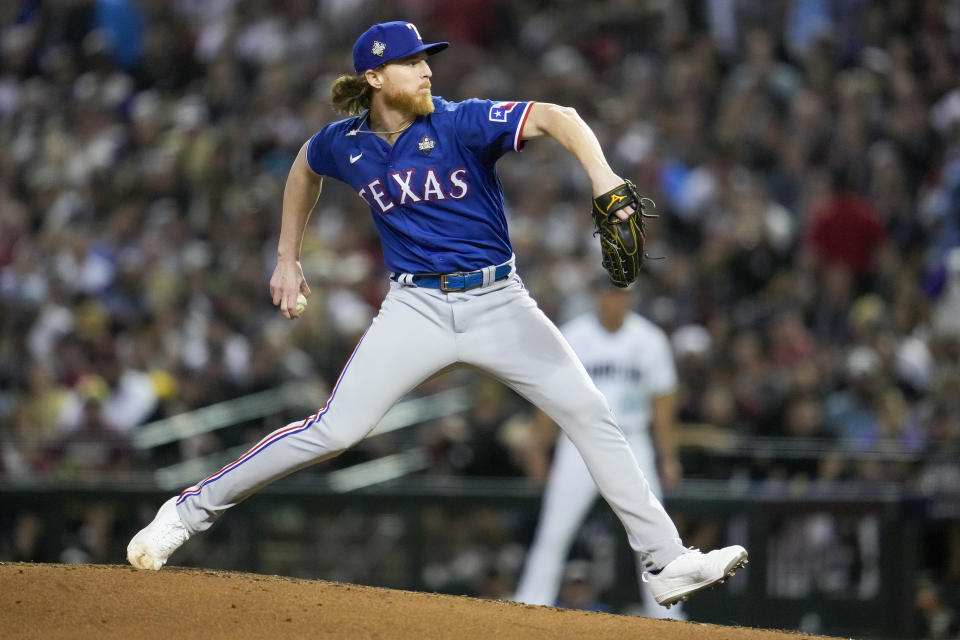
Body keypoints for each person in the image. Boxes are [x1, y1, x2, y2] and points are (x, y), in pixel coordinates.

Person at [126, 20, 747, 609]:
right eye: (413, 62)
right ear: (375, 77)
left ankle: (665, 562)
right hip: (415, 306)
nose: (427, 70)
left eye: (427, 60)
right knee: (336, 430)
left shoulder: (461, 122)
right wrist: (287, 256)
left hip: (500, 302)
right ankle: (187, 512)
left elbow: (561, 117)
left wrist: (602, 176)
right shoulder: (346, 143)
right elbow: (303, 169)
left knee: (590, 413)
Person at [514, 280, 686, 618]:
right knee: (555, 529)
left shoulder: (649, 340)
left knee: (652, 532)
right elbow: (551, 394)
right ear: (596, 295)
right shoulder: (573, 335)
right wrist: (538, 447)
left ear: (630, 297)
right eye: (607, 291)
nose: (614, 299)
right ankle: (530, 603)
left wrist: (668, 457)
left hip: (630, 441)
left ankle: (668, 614)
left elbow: (663, 404)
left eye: (620, 292)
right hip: (578, 443)